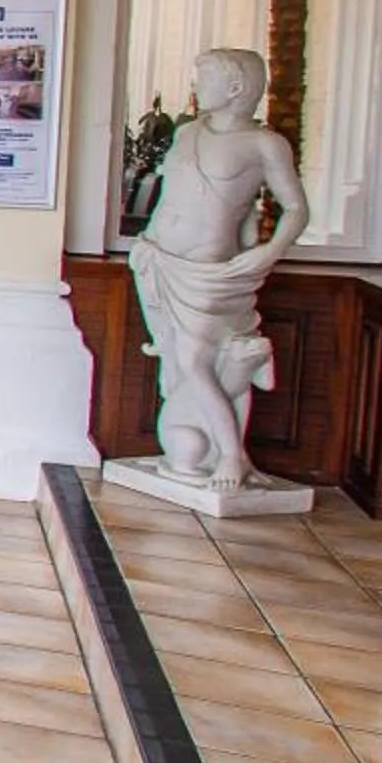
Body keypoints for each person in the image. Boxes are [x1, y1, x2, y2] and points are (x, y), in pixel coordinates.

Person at [129, 47, 307, 492]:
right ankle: (190, 449)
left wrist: (268, 251)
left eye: (204, 78)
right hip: (157, 257)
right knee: (176, 360)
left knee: (198, 359)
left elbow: (296, 209)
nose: (195, 87)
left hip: (207, 271)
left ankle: (231, 454)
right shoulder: (188, 133)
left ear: (236, 88)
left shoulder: (264, 144)